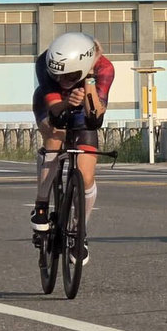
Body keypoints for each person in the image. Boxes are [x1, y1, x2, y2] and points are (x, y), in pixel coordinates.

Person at [29, 32, 115, 266]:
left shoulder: (104, 68)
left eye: (69, 75)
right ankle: (41, 204)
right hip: (53, 105)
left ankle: (80, 231)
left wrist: (88, 83)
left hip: (84, 108)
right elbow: (56, 112)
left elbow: (95, 118)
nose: (62, 80)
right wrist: (68, 101)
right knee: (55, 137)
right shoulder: (43, 63)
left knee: (86, 175)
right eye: (57, 75)